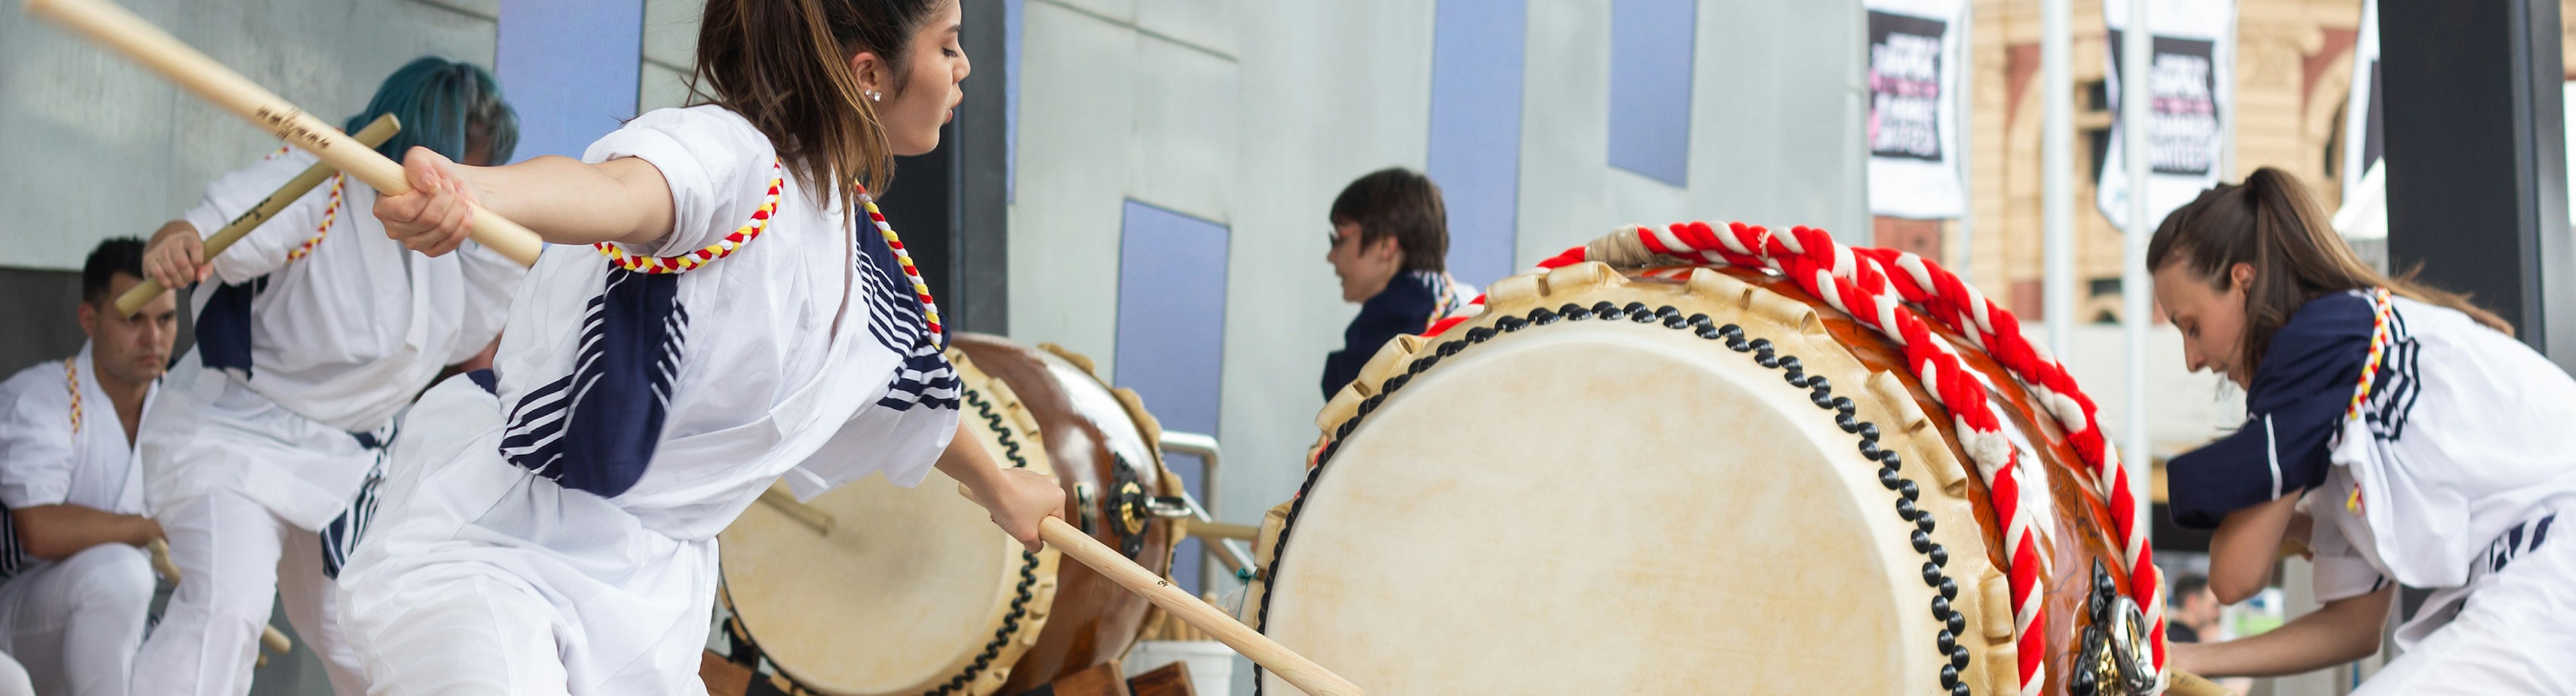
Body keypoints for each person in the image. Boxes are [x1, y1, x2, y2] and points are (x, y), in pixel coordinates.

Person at [334, 0, 1063, 692]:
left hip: (653, 598)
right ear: (869, 73)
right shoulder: (734, 158)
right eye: (948, 43)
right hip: (511, 548)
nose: (963, 65)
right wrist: (476, 193)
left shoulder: (857, 246)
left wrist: (1003, 488)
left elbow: (909, 394)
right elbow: (616, 194)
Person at [131, 57, 523, 696]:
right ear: (423, 145)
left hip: (349, 464)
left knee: (374, 640)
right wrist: (180, 240)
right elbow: (211, 228)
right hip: (236, 440)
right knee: (228, 608)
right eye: (460, 163)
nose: (461, 186)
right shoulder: (319, 179)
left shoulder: (451, 226)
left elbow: (473, 324)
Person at [2153, 167, 2576, 693]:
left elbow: (2233, 575)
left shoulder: (2318, 347)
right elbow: (2355, 626)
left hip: (2551, 568)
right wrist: (2187, 656)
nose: (2193, 358)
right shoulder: (2342, 386)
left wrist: (2265, 514)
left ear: (2243, 280)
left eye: (2192, 325)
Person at [0, 239, 173, 696]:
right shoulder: (41, 397)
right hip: (23, 618)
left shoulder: (188, 407)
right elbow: (39, 529)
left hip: (128, 621)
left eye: (166, 319)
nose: (153, 338)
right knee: (123, 574)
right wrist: (151, 527)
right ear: (90, 320)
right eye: (134, 318)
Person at [1318, 167, 1474, 398]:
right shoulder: (1467, 300)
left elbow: (1349, 406)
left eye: (1339, 238)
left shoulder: (1396, 317)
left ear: (1385, 246)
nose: (1331, 257)